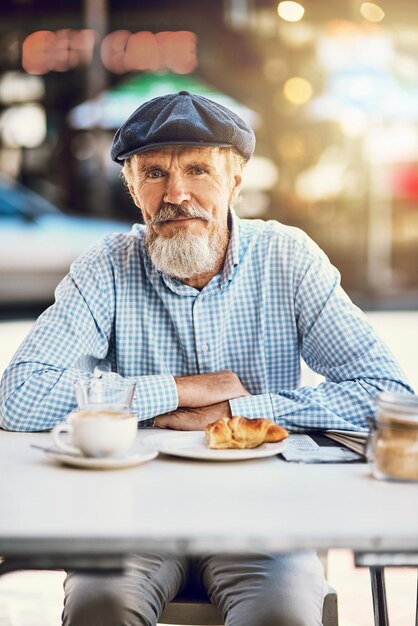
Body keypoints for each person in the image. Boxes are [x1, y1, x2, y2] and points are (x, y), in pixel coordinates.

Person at [0, 91, 413, 626]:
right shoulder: (105, 267)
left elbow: (387, 396)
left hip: (266, 516)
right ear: (132, 189)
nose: (176, 193)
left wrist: (238, 416)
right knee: (98, 609)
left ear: (235, 184)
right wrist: (182, 389)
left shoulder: (286, 257)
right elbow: (19, 396)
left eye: (198, 170)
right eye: (153, 174)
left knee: (281, 616)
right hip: (129, 516)